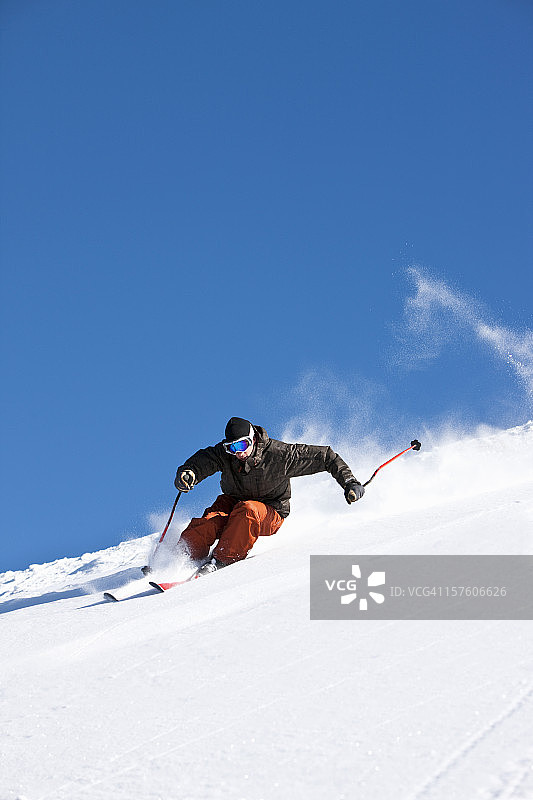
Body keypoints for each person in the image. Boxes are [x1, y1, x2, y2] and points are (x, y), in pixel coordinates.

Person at [174, 417, 365, 577]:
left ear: (253, 439)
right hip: (233, 501)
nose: (238, 453)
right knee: (208, 522)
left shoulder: (280, 456)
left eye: (242, 445)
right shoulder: (227, 455)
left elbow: (325, 457)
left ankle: (223, 560)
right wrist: (189, 473)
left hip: (270, 510)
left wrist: (350, 482)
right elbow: (204, 460)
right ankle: (182, 557)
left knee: (248, 511)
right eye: (232, 448)